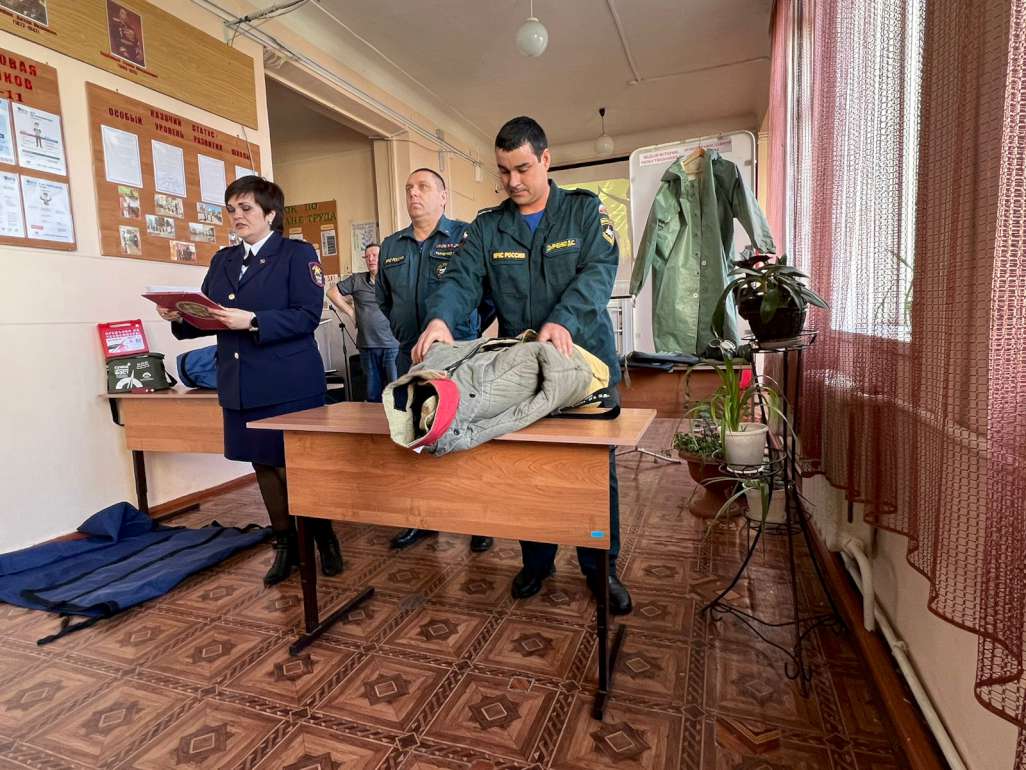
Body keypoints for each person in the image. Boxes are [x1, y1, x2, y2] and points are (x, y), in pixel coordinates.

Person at [413, 116, 632, 615]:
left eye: (523, 168)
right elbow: (460, 280)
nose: (512, 181)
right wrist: (441, 320)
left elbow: (598, 274)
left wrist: (562, 320)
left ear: (546, 160)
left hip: (585, 369)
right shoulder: (489, 227)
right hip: (522, 375)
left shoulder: (583, 212)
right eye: (503, 171)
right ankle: (537, 561)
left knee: (593, 474)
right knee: (529, 470)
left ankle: (600, 568)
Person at [157, 176, 342, 587]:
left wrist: (255, 320)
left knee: (295, 465)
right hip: (241, 378)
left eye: (246, 209)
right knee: (263, 463)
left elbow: (306, 316)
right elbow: (209, 316)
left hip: (288, 380)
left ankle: (323, 537)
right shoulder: (223, 260)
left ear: (270, 214)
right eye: (231, 210)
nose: (237, 216)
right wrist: (179, 316)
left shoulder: (296, 254)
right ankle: (285, 544)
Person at [375, 167, 493, 554]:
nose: (414, 193)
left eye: (423, 187)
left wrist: (467, 330)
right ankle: (422, 519)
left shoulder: (465, 237)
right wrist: (402, 328)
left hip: (457, 356)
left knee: (467, 435)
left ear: (443, 196)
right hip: (411, 355)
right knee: (415, 437)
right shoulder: (392, 245)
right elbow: (383, 298)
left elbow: (487, 294)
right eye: (409, 188)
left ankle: (478, 521)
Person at [326, 243, 399, 402]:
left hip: (392, 345)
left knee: (396, 393)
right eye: (368, 256)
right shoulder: (357, 280)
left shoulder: (394, 279)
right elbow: (331, 293)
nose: (371, 259)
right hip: (367, 346)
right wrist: (351, 312)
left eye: (375, 255)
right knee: (372, 394)